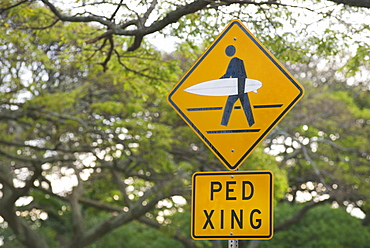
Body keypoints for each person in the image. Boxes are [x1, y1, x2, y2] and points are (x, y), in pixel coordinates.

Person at [221, 45, 255, 127]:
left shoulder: (233, 60)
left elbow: (228, 74)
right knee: (245, 104)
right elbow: (245, 74)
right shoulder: (240, 60)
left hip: (237, 84)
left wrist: (218, 82)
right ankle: (252, 123)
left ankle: (223, 124)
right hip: (242, 82)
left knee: (229, 103)